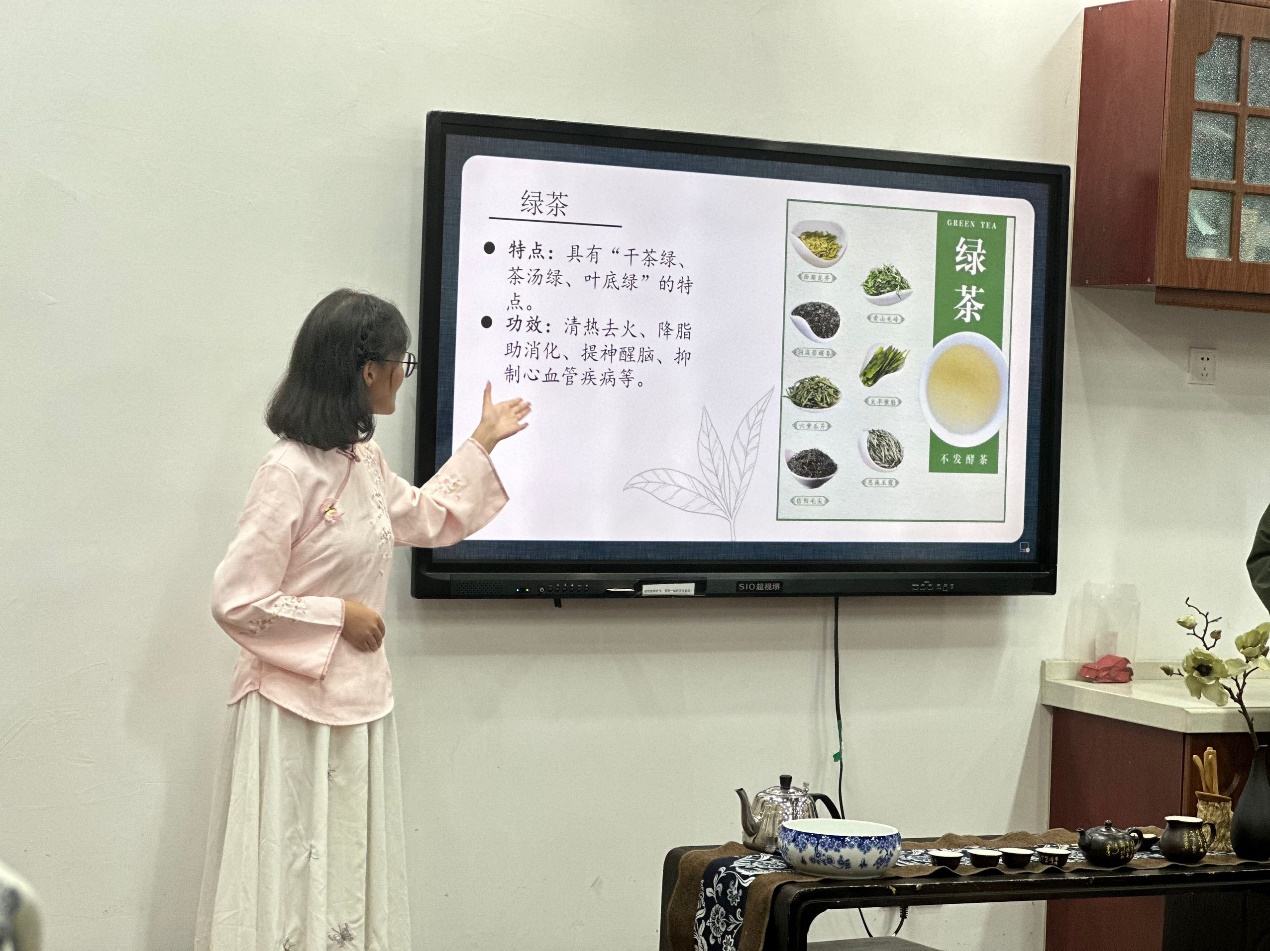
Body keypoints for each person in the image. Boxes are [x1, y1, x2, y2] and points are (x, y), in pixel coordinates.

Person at [195, 289, 529, 951]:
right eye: (403, 361)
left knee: (346, 878)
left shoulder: (363, 461)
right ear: (369, 369)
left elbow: (428, 515)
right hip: (289, 711)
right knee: (288, 879)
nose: (405, 373)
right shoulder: (287, 471)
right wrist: (337, 615)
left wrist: (481, 443)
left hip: (358, 703)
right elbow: (235, 598)